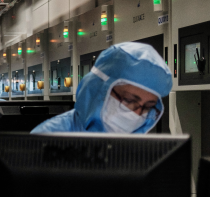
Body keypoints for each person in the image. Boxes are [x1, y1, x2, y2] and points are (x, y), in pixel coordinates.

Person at [32, 42, 171, 134]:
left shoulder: (141, 154)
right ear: (98, 89)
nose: (137, 114)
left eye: (147, 107)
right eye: (129, 100)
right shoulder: (47, 139)